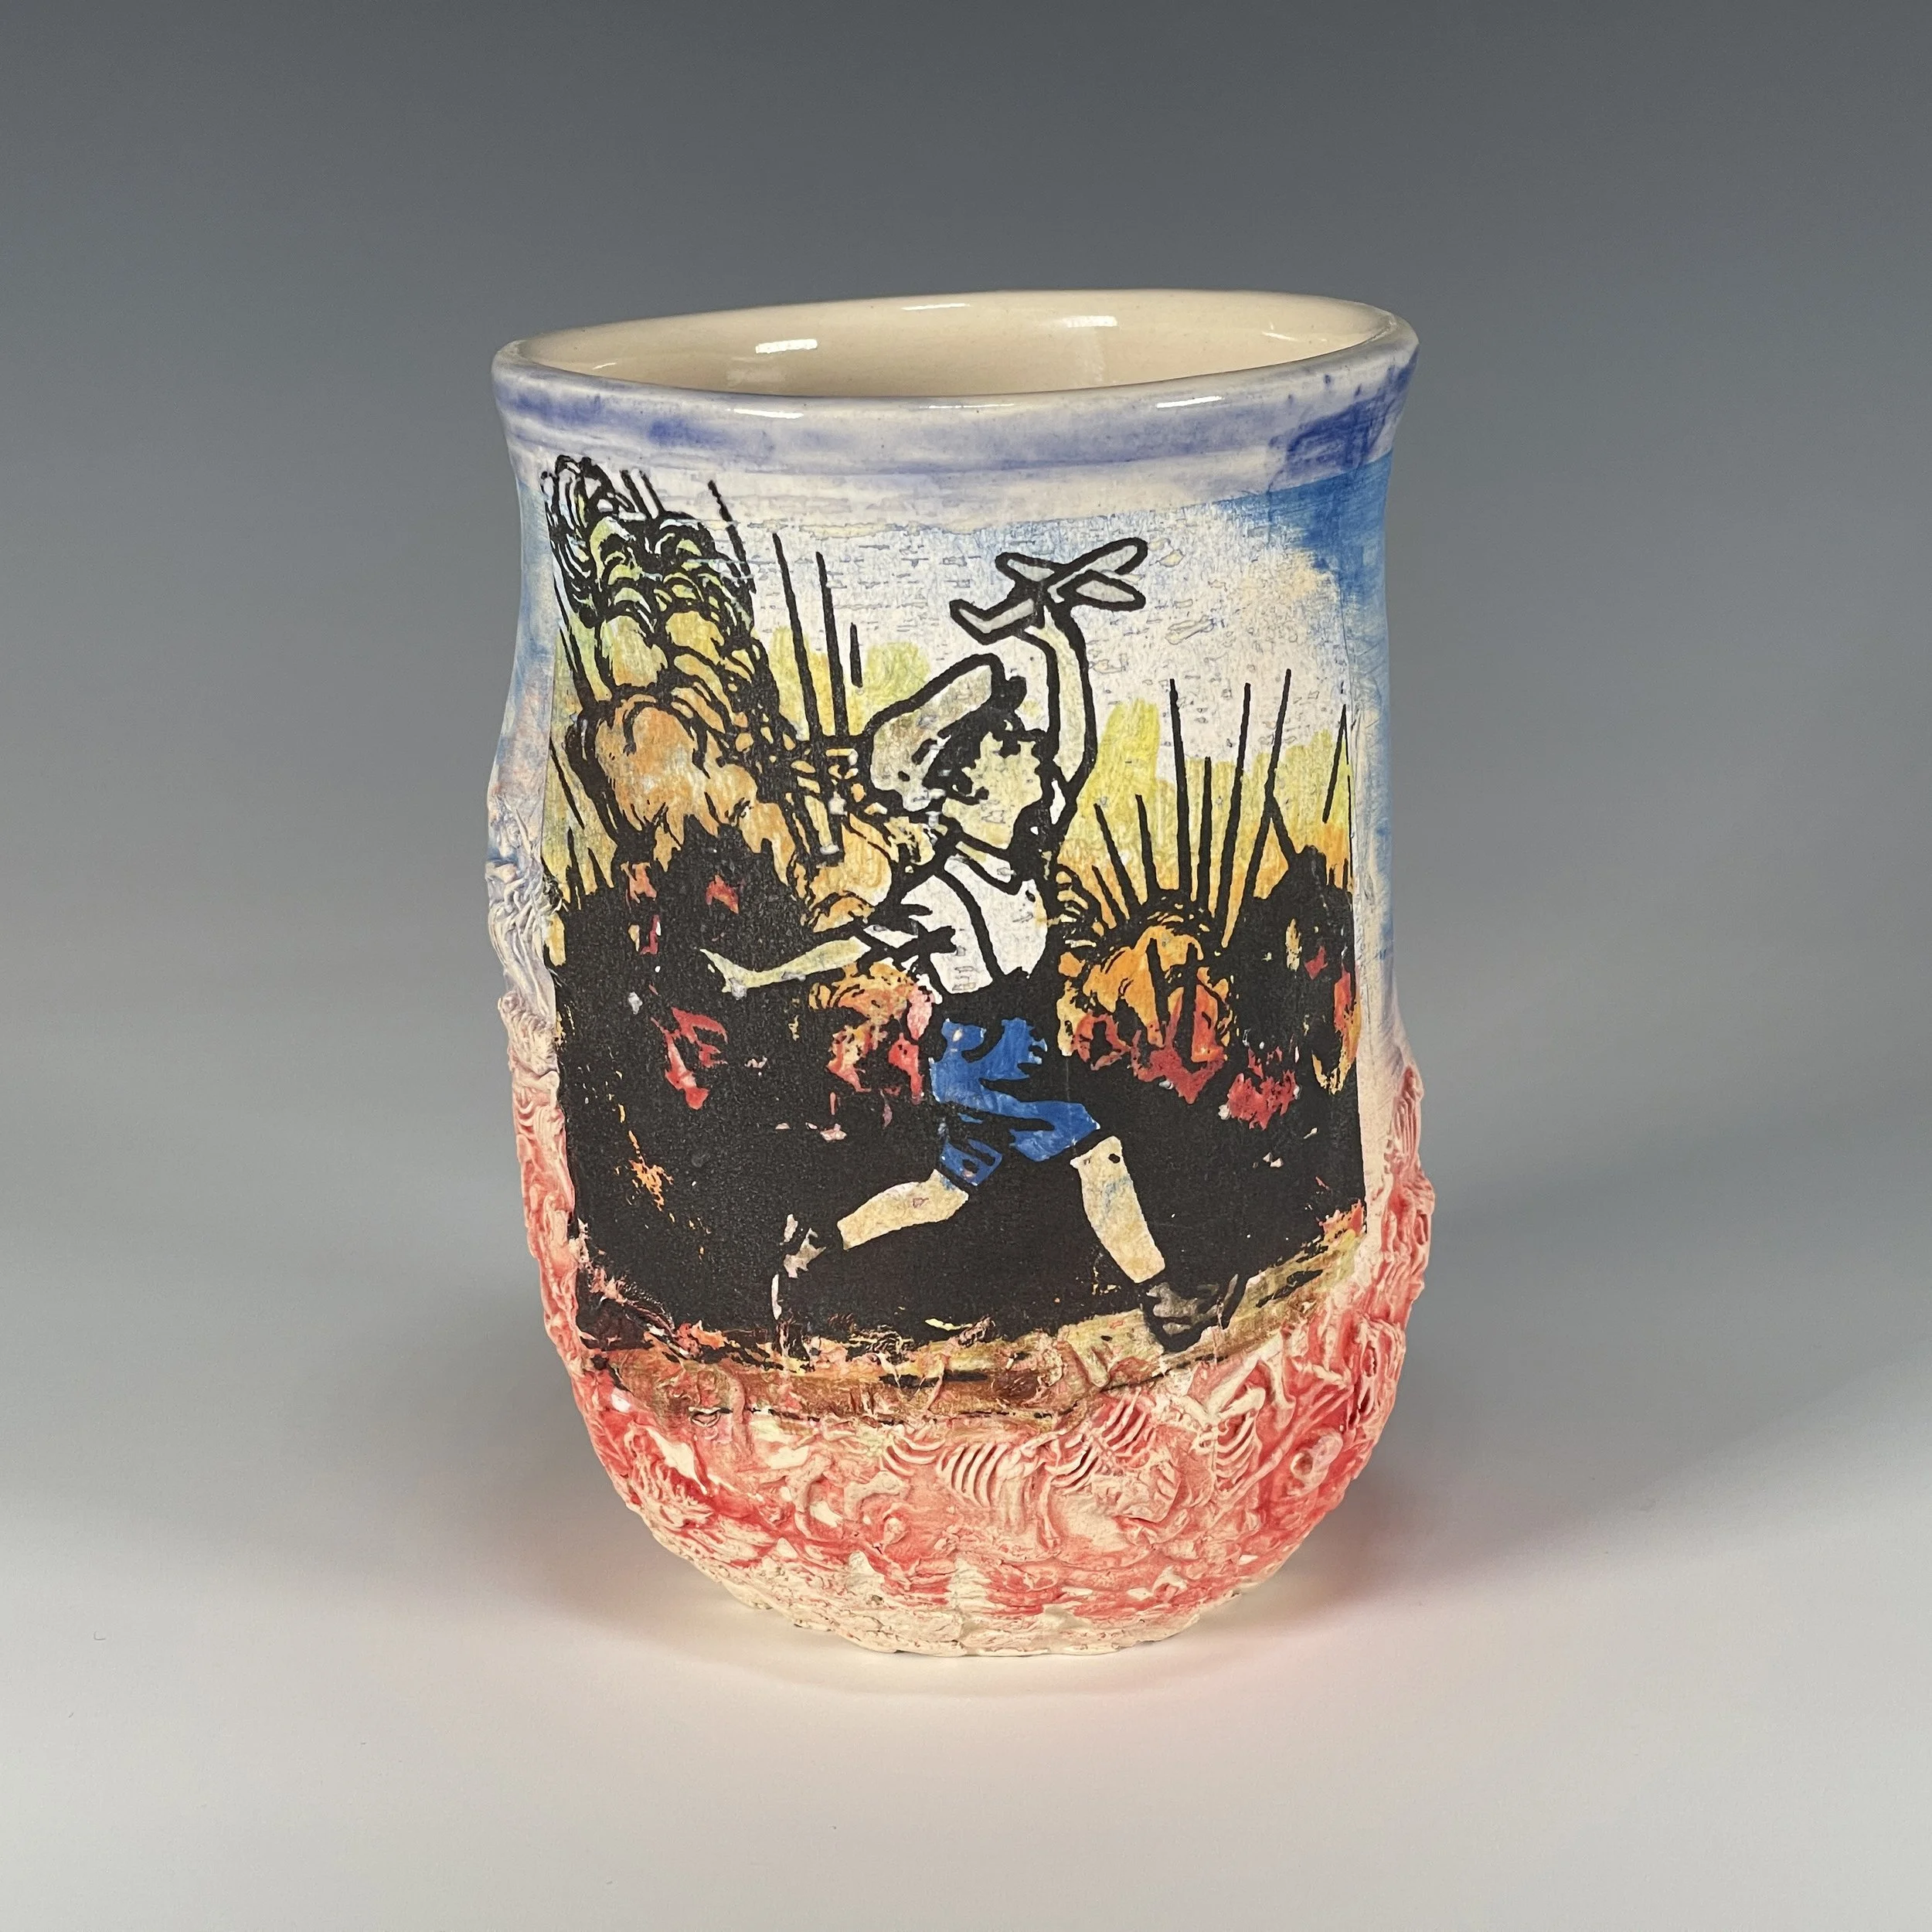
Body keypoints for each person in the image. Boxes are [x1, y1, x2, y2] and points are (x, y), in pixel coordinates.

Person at [702, 543, 1182, 1327]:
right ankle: (1166, 1303)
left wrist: (1057, 636)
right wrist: (757, 978)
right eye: (1010, 746)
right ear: (966, 788)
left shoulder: (1021, 847)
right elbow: (856, 943)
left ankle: (815, 1244)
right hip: (987, 1062)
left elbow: (1073, 746)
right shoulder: (944, 892)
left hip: (1005, 1055)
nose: (1033, 749)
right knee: (1099, 1154)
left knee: (941, 1193)